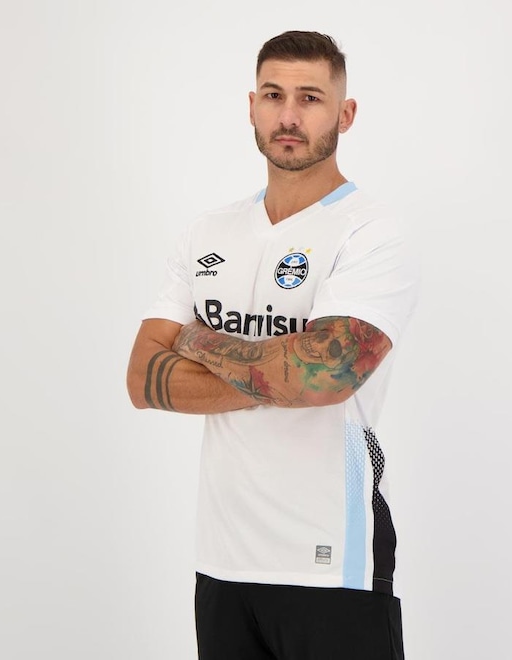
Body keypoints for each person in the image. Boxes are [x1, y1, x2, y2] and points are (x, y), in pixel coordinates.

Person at [127, 30, 418, 660]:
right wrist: (281, 369)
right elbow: (141, 377)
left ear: (345, 114)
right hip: (222, 563)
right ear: (252, 106)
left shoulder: (370, 232)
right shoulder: (208, 231)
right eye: (273, 95)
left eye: (310, 98)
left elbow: (326, 376)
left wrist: (194, 340)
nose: (288, 115)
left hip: (331, 564)